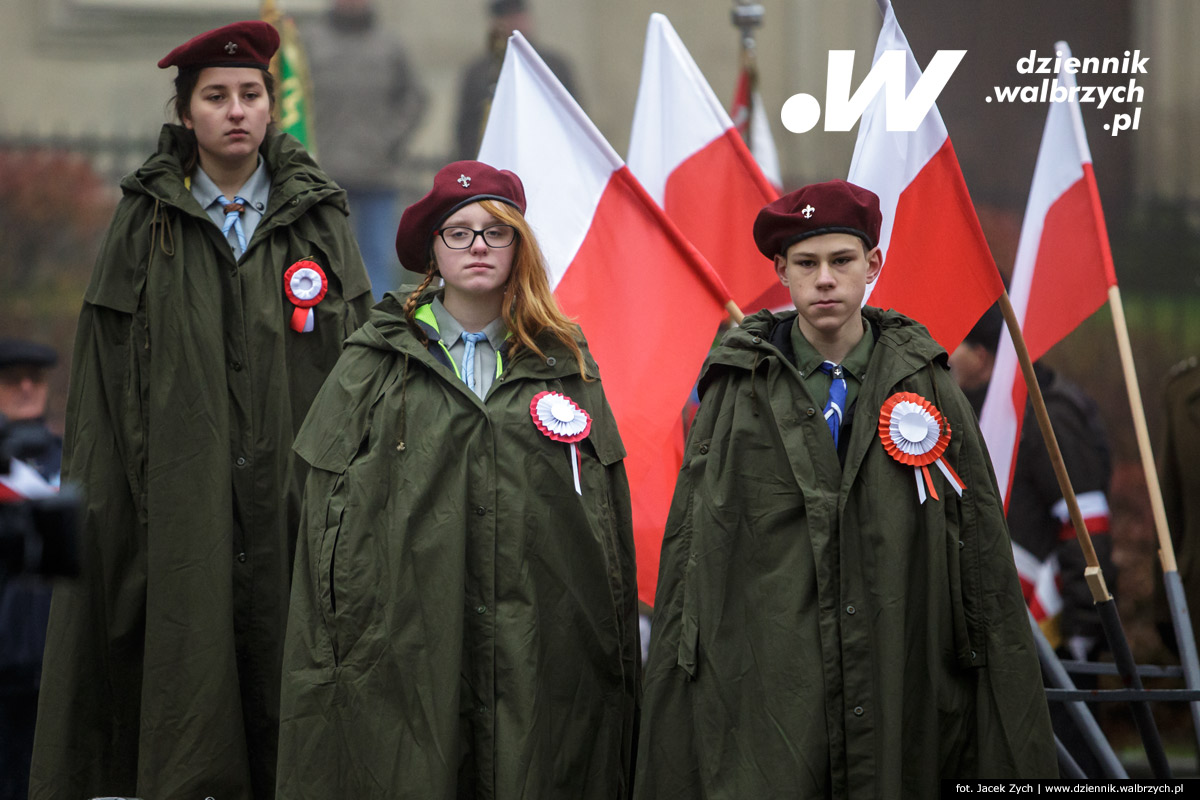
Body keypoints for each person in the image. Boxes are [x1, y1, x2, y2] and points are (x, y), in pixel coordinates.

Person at [29, 21, 372, 800]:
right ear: (186, 115)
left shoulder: (320, 220)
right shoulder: (144, 224)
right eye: (215, 97)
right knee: (190, 698)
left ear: (271, 107)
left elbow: (359, 372)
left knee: (300, 697)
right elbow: (104, 388)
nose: (236, 111)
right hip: (181, 511)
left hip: (295, 509)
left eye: (251, 95)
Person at [635, 180, 1057, 798]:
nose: (825, 279)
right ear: (781, 271)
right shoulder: (736, 390)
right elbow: (697, 551)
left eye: (842, 261)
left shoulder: (927, 386)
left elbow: (978, 548)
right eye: (806, 264)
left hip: (900, 668)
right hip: (775, 683)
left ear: (873, 265)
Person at [276, 160, 640, 798]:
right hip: (406, 647)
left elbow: (603, 521)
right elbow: (316, 508)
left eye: (495, 232)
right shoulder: (375, 359)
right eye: (459, 232)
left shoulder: (567, 364)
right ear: (432, 253)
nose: (477, 246)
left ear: (518, 246)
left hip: (533, 651)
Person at [950, 305, 1114, 660]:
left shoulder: (1049, 415)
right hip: (996, 633)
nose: (944, 354)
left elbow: (1087, 528)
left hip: (1052, 640)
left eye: (955, 344)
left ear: (981, 356)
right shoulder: (963, 410)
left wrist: (1082, 631)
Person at [306, 0, 427, 294]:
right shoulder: (308, 42)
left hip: (378, 174)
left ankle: (378, 330)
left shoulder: (390, 44)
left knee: (377, 261)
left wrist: (390, 139)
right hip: (322, 175)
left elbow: (416, 98)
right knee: (319, 261)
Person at [0, 338, 60, 800]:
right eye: (11, 377)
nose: (25, 387)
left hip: (58, 656)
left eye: (35, 377)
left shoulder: (72, 460)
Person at [455, 0, 578, 161]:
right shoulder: (478, 72)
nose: (512, 23)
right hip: (495, 161)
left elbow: (575, 122)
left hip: (547, 158)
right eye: (505, 17)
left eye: (517, 15)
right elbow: (466, 129)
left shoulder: (554, 66)